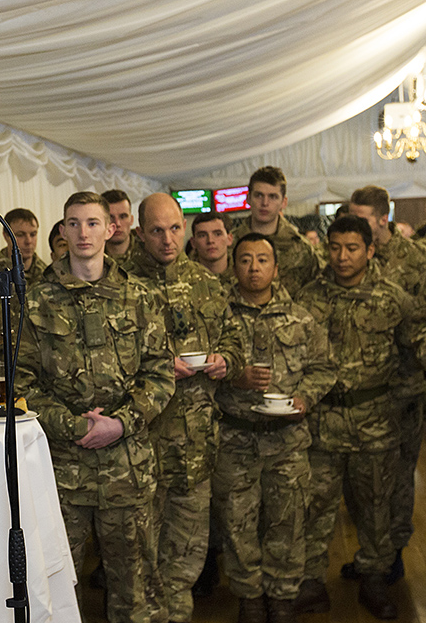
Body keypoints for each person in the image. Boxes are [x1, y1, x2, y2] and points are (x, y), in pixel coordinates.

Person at [16, 191, 174, 623]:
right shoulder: (35, 301)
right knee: (56, 585)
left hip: (128, 468)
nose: (83, 232)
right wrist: (70, 425)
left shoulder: (139, 297)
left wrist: (121, 424)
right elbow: (21, 383)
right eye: (73, 223)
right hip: (61, 471)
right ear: (63, 231)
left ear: (111, 229)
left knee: (135, 588)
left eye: (92, 223)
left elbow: (161, 376)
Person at [295, 216, 426, 620]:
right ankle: (312, 583)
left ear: (370, 250)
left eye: (352, 248)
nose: (342, 256)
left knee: (374, 509)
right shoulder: (308, 299)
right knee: (315, 509)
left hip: (375, 424)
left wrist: (396, 401)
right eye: (335, 247)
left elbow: (414, 352)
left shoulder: (393, 299)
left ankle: (374, 578)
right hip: (322, 424)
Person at [124, 193, 244, 623]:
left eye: (175, 228)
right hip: (140, 445)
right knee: (140, 556)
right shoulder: (119, 285)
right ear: (140, 233)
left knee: (187, 554)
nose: (168, 239)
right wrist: (154, 367)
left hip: (195, 444)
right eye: (157, 230)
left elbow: (234, 338)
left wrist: (226, 359)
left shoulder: (206, 283)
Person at [211, 233, 335, 623]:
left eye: (262, 260)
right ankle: (249, 597)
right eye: (245, 260)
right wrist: (234, 377)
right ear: (234, 265)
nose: (253, 268)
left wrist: (304, 399)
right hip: (235, 438)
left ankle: (282, 597)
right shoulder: (217, 316)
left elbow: (324, 368)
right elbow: (201, 371)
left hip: (287, 442)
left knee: (289, 522)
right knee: (237, 523)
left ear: (276, 267)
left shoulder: (301, 318)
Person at [343, 186, 426, 585]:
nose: (357, 224)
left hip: (405, 388)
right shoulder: (350, 256)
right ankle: (370, 551)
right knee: (362, 481)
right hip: (363, 388)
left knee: (398, 477)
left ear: (383, 217)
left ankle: (392, 551)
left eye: (363, 218)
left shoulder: (416, 260)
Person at [230, 166, 323, 297]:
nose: (265, 203)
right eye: (259, 195)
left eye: (273, 197)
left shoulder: (300, 247)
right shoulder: (229, 244)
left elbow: (317, 290)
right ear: (248, 198)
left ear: (283, 202)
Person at [2, 207, 48, 284]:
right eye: (20, 235)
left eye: (33, 234)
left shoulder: (46, 275)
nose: (28, 241)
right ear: (6, 236)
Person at [191, 212, 235, 286]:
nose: (210, 241)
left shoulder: (243, 274)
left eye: (217, 234)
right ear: (193, 243)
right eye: (202, 235)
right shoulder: (184, 279)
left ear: (229, 239)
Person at [103, 189, 139, 262]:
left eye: (123, 217)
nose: (117, 224)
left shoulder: (149, 250)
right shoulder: (92, 253)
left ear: (131, 220)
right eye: (110, 217)